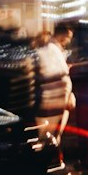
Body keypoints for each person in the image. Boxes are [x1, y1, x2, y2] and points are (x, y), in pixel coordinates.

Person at [34, 24, 75, 157]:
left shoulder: (46, 49)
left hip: (52, 94)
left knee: (46, 133)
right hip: (61, 91)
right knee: (55, 132)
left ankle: (51, 159)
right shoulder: (53, 49)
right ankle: (56, 158)